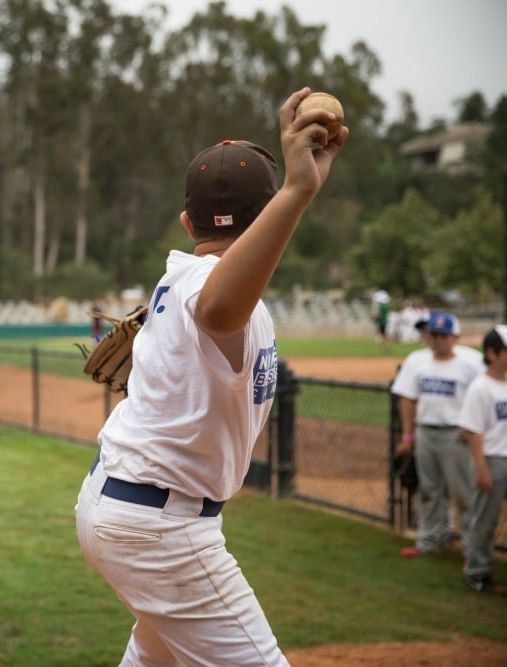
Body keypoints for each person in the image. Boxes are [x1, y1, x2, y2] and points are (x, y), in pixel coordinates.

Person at [74, 87, 347, 666]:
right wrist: (298, 191)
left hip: (122, 505)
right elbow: (221, 310)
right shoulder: (208, 289)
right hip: (161, 529)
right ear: (270, 213)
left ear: (185, 221)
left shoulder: (176, 277)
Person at [390, 312, 484, 558]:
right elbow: (408, 398)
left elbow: (484, 396)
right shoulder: (418, 360)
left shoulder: (472, 362)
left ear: (456, 337)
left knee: (463, 493)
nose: (438, 340)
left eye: (444, 335)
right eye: (434, 335)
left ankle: (471, 549)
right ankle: (427, 541)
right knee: (428, 491)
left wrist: (473, 428)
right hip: (426, 433)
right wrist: (408, 436)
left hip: (457, 435)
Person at [458, 325, 507, 594]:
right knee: (485, 521)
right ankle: (476, 574)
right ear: (492, 353)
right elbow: (472, 432)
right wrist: (481, 467)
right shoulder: (481, 388)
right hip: (493, 460)